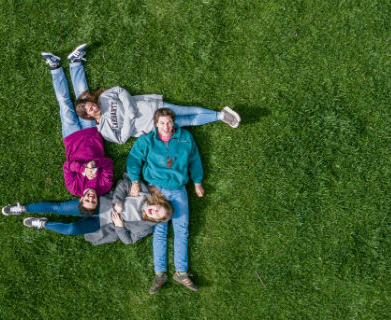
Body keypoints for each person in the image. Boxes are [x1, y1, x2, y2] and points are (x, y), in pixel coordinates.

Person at [126, 108, 203, 294]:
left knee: (181, 230)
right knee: (159, 230)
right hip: (157, 189)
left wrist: (197, 182)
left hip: (178, 189)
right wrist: (135, 181)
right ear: (156, 123)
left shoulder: (185, 138)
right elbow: (134, 159)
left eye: (169, 122)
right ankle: (160, 273)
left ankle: (181, 272)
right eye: (162, 123)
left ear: (173, 122)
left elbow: (194, 159)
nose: (166, 127)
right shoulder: (147, 140)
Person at [1, 175, 171, 245]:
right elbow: (124, 184)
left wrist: (119, 226)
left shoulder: (145, 227)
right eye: (157, 209)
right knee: (59, 208)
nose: (154, 212)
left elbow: (129, 241)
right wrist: (118, 202)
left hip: (101, 223)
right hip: (98, 204)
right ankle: (22, 208)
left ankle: (44, 224)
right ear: (156, 203)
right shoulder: (143, 193)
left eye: (157, 215)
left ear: (156, 221)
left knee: (72, 229)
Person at [41, 44, 113, 199]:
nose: (91, 197)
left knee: (64, 103)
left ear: (81, 199)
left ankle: (55, 67)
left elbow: (67, 166)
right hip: (90, 133)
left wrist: (82, 169)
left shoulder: (74, 188)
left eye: (87, 200)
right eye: (93, 201)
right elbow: (108, 163)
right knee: (84, 98)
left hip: (71, 136)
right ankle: (75, 62)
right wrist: (94, 164)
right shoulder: (104, 186)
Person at [70, 84, 241, 144]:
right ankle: (219, 116)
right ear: (88, 116)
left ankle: (220, 115)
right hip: (152, 125)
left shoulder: (105, 98)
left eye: (90, 104)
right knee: (188, 121)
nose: (92, 107)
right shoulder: (104, 130)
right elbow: (121, 139)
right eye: (89, 110)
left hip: (153, 108)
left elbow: (121, 91)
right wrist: (129, 120)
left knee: (186, 110)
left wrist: (130, 110)